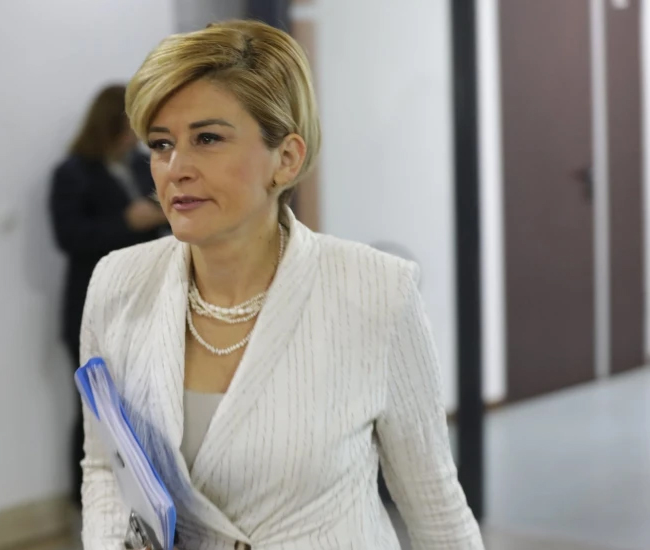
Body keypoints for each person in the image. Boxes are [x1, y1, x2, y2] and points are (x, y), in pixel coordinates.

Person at [79, 21, 485, 549]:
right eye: (161, 144)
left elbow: (434, 504)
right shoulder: (119, 283)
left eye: (207, 139)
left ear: (286, 158)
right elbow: (105, 466)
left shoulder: (377, 291)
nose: (176, 168)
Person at [49, 84, 168, 508]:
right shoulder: (72, 173)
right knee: (95, 411)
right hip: (92, 306)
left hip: (145, 300)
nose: (133, 137)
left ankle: (148, 502)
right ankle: (90, 505)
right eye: (127, 127)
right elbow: (70, 237)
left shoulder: (141, 164)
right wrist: (126, 222)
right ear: (108, 125)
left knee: (148, 408)